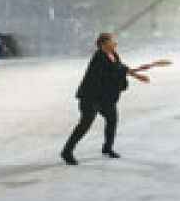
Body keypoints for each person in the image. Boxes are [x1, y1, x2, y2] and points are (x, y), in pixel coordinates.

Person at [60, 32, 156, 165]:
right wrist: (136, 70)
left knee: (112, 119)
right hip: (90, 96)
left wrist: (138, 75)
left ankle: (107, 148)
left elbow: (121, 68)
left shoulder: (113, 55)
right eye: (112, 41)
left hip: (105, 97)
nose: (115, 43)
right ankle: (66, 151)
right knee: (85, 124)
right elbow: (112, 73)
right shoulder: (98, 58)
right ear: (103, 45)